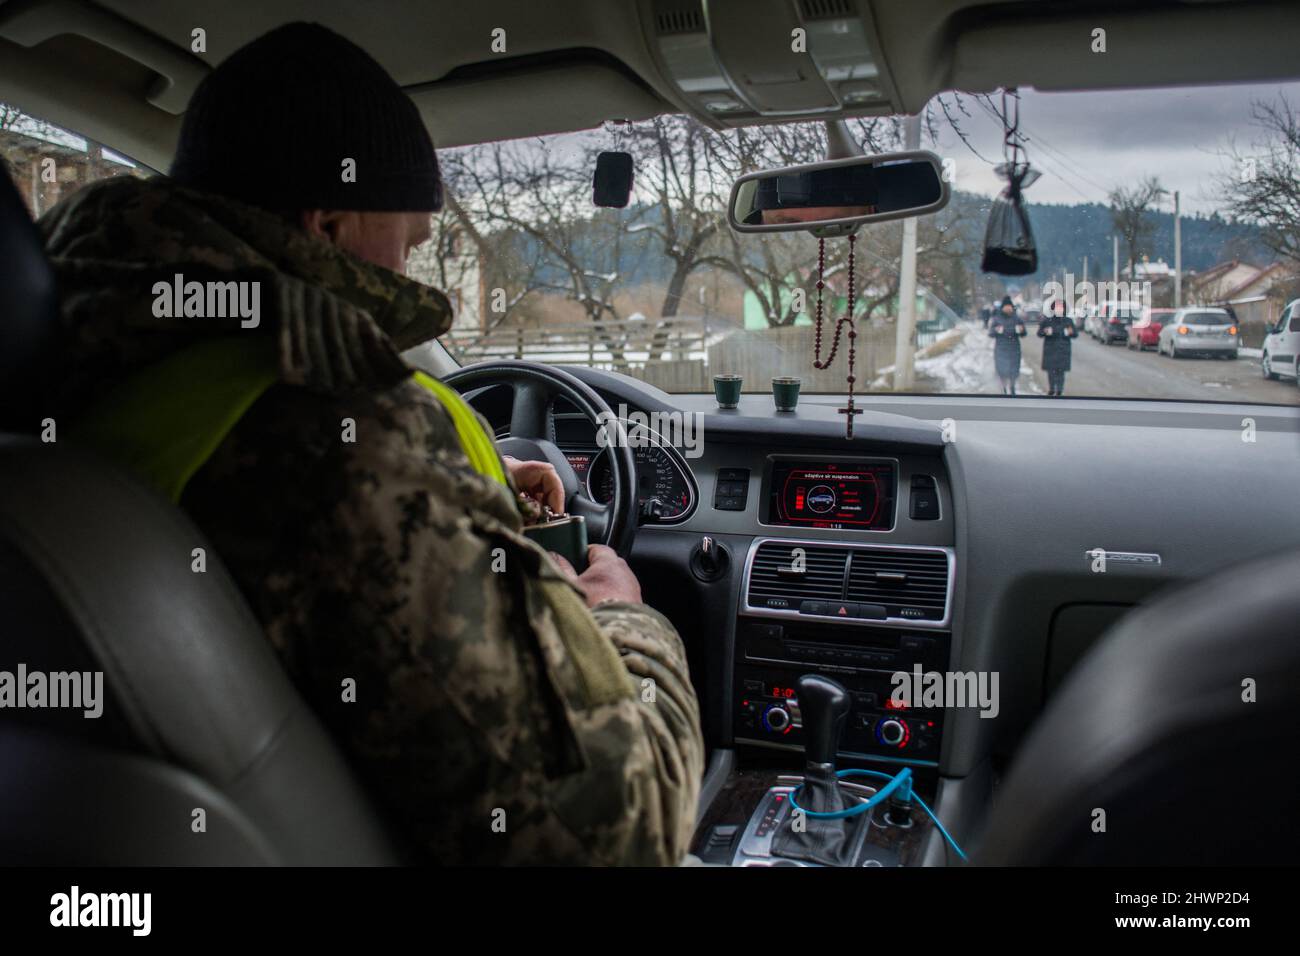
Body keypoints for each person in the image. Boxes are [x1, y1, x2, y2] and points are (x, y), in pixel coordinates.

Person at [35, 22, 702, 865]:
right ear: (331, 227)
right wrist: (629, 623)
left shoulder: (76, 357)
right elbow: (620, 838)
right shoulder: (336, 434)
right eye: (412, 241)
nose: (413, 272)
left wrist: (474, 487)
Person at [1037, 298, 1079, 396]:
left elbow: (1075, 334)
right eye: (1057, 307)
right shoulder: (1047, 321)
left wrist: (1070, 332)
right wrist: (1045, 332)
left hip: (1063, 350)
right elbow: (1039, 333)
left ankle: (1059, 390)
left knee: (1061, 372)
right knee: (1051, 372)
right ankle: (1051, 389)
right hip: (1050, 350)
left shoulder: (1068, 321)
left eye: (1061, 307)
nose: (1059, 309)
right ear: (1053, 309)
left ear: (1064, 309)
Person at [988, 295, 1027, 395]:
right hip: (1001, 350)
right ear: (1002, 308)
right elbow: (991, 333)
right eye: (1006, 306)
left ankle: (1012, 388)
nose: (1008, 308)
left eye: (1009, 306)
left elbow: (1023, 333)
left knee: (1013, 371)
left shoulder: (1017, 318)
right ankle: (1004, 389)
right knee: (1002, 371)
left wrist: (1021, 330)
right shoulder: (997, 319)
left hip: (1014, 349)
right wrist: (996, 331)